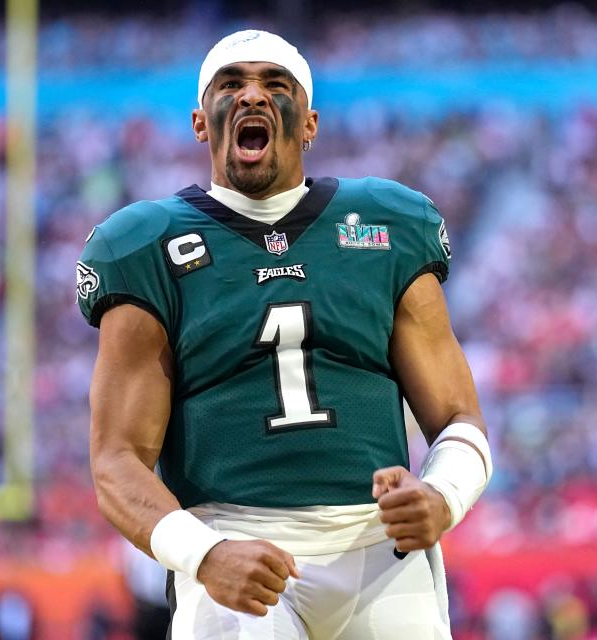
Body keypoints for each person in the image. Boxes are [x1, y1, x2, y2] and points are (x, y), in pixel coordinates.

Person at [79, 29, 492, 639]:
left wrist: (441, 498)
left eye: (276, 86)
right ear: (200, 122)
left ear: (310, 124)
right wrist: (204, 555)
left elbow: (460, 416)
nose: (254, 97)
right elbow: (116, 460)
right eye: (232, 85)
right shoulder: (146, 244)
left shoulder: (384, 224)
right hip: (234, 543)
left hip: (380, 547)